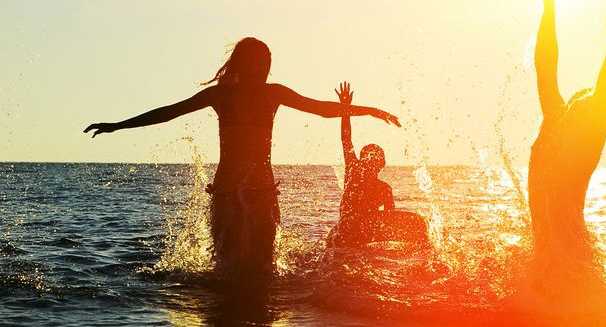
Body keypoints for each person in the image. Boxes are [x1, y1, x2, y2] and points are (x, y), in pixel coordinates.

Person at [84, 37, 400, 283]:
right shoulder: (219, 95)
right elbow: (170, 112)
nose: (262, 68)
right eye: (256, 62)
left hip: (262, 193)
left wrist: (370, 110)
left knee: (262, 268)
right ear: (241, 64)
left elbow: (321, 108)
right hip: (225, 193)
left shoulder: (274, 93)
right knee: (225, 267)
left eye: (266, 63)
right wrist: (117, 125)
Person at [529, 0, 606, 268]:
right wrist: (548, 10)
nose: (584, 97)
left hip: (570, 248)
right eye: (584, 95)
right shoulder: (556, 120)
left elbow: (605, 89)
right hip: (547, 248)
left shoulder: (586, 140)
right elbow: (545, 65)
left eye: (591, 100)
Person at [327, 81, 430, 250]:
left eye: (374, 161)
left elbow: (389, 220)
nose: (370, 165)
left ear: (381, 165)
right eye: (368, 160)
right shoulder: (353, 171)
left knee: (419, 222)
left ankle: (424, 253)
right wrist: (345, 108)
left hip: (364, 231)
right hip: (346, 230)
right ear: (360, 162)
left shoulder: (384, 189)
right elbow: (346, 138)